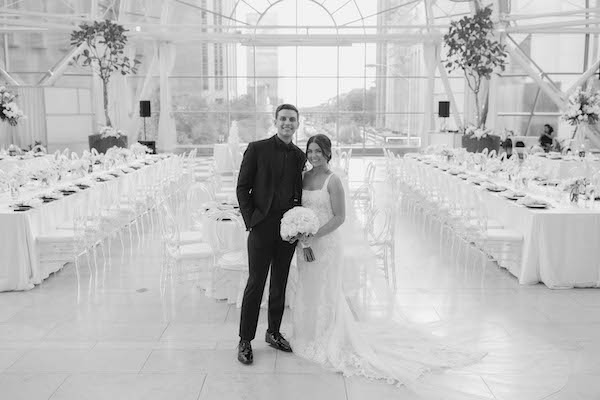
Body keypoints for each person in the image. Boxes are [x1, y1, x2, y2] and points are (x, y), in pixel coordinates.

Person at [290, 134, 489, 398]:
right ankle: (307, 333)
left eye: (318, 151)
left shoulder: (333, 180)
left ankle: (327, 336)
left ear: (328, 153)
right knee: (308, 288)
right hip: (305, 245)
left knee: (327, 290)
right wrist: (299, 230)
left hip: (326, 245)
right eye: (310, 150)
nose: (313, 155)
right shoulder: (303, 178)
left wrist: (314, 233)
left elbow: (340, 217)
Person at [236, 103, 307, 365]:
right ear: (275, 121)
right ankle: (245, 339)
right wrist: (251, 220)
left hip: (287, 229)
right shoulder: (257, 148)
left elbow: (299, 192)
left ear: (297, 124)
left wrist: (299, 223)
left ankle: (273, 332)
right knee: (255, 283)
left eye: (292, 120)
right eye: (283, 119)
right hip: (261, 227)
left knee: (280, 282)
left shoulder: (300, 156)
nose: (288, 123)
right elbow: (242, 187)